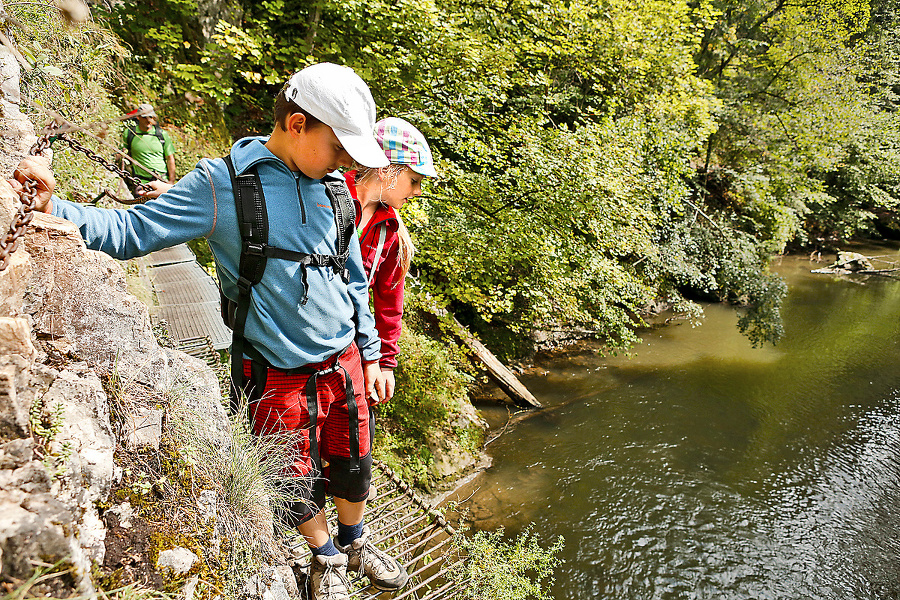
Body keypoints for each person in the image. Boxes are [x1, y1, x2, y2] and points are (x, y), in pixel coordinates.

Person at [11, 63, 409, 600]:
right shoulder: (223, 188)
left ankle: (354, 540)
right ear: (296, 124)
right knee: (293, 480)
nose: (346, 164)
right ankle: (324, 557)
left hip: (345, 363)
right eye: (338, 148)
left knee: (354, 462)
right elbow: (132, 230)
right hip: (275, 373)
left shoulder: (334, 187)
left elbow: (352, 273)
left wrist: (369, 348)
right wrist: (51, 206)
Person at [344, 117, 436, 400]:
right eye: (414, 180)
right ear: (386, 170)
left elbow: (389, 302)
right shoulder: (329, 196)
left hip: (355, 349)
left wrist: (385, 363)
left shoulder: (392, 231)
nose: (418, 191)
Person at [120, 103, 176, 193]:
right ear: (138, 117)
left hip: (161, 180)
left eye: (150, 117)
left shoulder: (161, 135)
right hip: (141, 182)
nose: (148, 120)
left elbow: (170, 159)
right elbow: (122, 154)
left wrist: (171, 181)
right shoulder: (130, 133)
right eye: (144, 117)